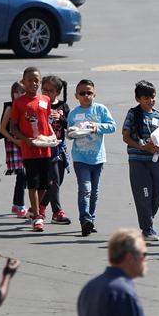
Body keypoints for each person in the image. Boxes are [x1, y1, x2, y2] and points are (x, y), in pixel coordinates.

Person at [122, 80, 159, 242]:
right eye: (146, 98)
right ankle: (147, 229)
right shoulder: (133, 113)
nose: (150, 100)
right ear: (138, 99)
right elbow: (125, 137)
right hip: (138, 161)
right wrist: (141, 147)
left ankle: (147, 220)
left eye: (152, 97)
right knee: (143, 195)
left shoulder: (158, 116)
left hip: (155, 161)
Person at [67, 79, 117, 237]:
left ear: (94, 94)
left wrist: (97, 127)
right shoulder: (74, 113)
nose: (86, 96)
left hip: (98, 157)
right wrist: (72, 132)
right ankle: (84, 219)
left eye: (89, 93)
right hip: (80, 157)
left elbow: (112, 126)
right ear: (76, 96)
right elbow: (69, 133)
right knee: (85, 189)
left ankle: (91, 219)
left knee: (94, 192)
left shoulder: (101, 110)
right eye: (82, 93)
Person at [9, 67, 54, 231]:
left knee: (45, 184)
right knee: (33, 184)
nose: (33, 83)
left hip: (45, 147)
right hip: (29, 150)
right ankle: (37, 216)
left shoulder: (45, 100)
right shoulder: (19, 102)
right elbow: (13, 127)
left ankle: (32, 209)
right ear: (24, 82)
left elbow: (46, 121)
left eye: (36, 80)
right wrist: (25, 140)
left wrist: (52, 136)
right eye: (30, 80)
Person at [40, 75, 72, 225]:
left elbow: (69, 126)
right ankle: (57, 212)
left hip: (60, 147)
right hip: (45, 147)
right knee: (54, 180)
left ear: (57, 92)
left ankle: (40, 206)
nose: (46, 93)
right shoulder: (39, 103)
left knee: (58, 181)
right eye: (44, 89)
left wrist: (61, 118)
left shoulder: (63, 106)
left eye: (50, 91)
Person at [0, 81, 29, 218]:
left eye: (22, 92)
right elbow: (2, 129)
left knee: (25, 174)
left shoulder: (27, 106)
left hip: (25, 142)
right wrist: (14, 140)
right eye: (16, 92)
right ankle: (20, 205)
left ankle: (16, 204)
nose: (19, 94)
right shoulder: (11, 107)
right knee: (21, 173)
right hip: (13, 143)